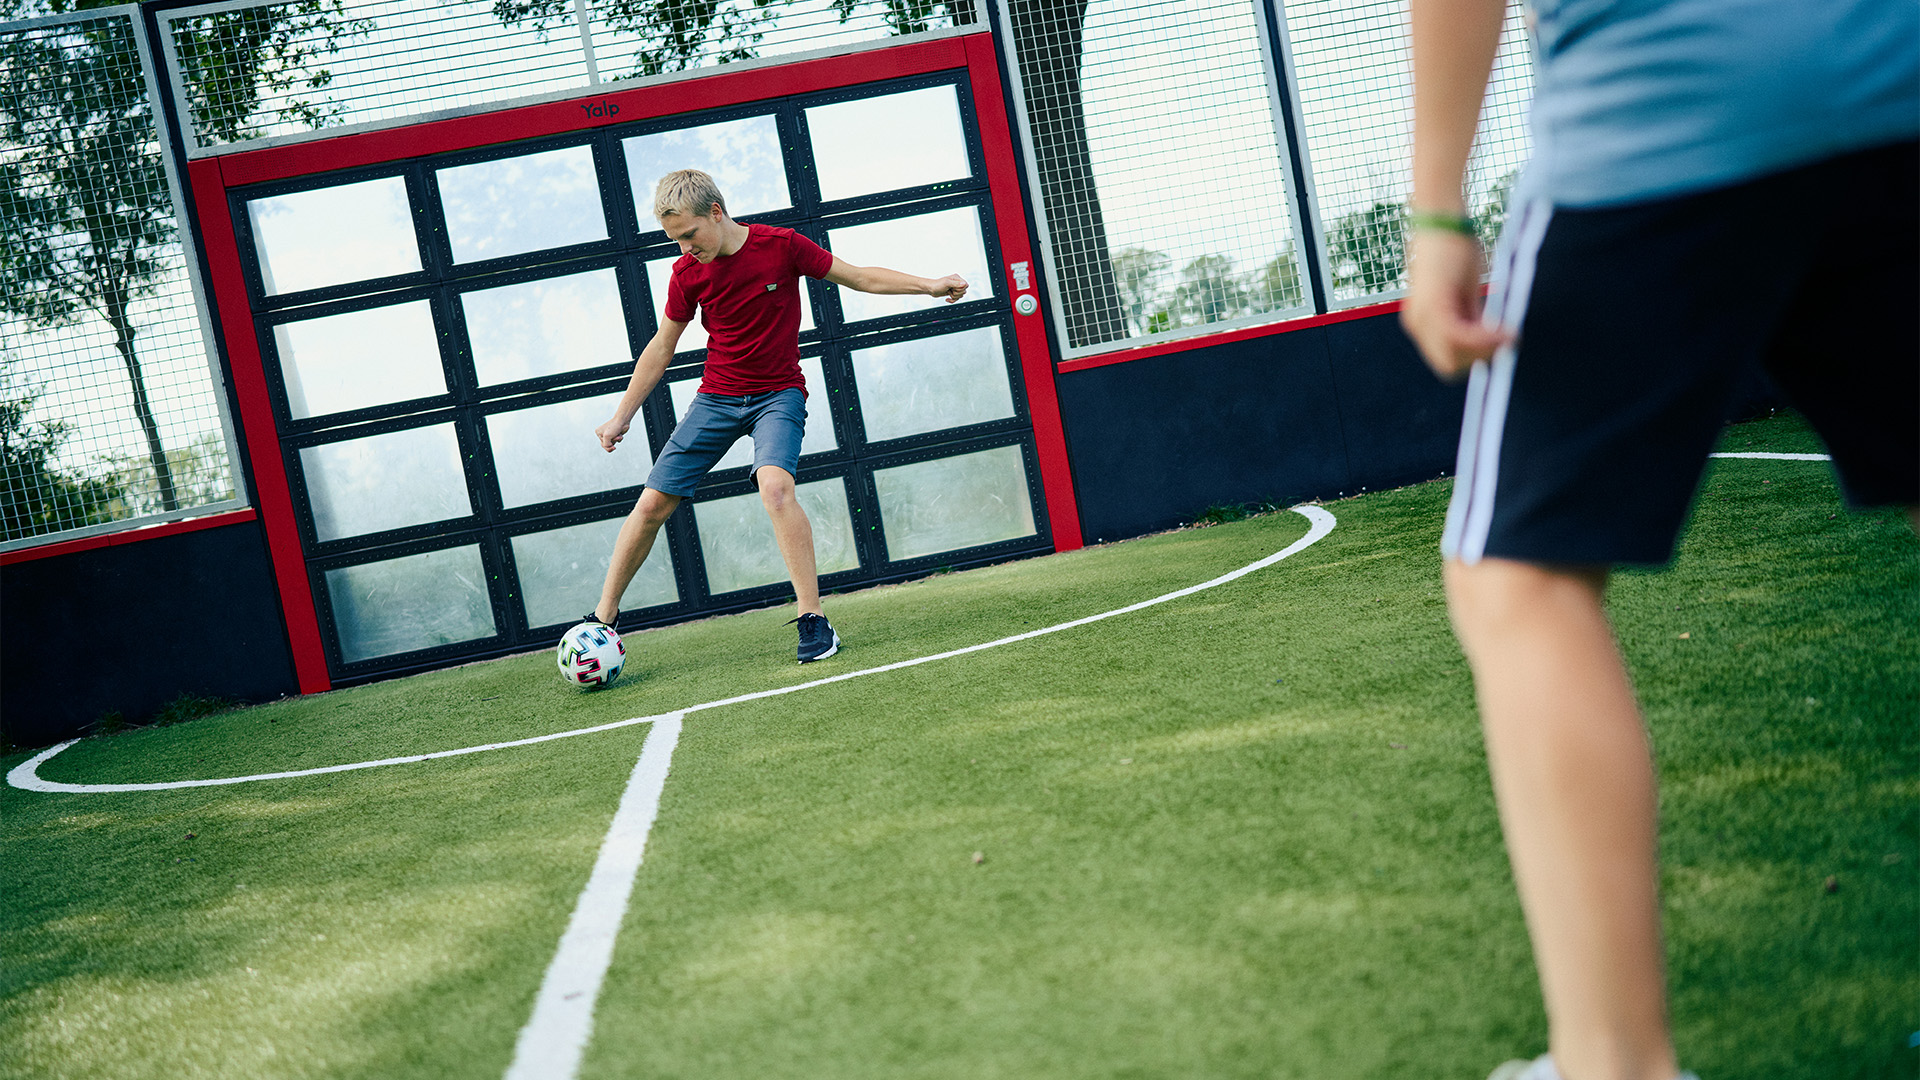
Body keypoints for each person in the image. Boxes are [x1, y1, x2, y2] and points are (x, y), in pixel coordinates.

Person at [1400, 2, 1917, 1079]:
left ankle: (1614, 1063)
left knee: (1517, 573)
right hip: (1895, 75)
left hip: (1660, 101)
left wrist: (1438, 210)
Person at [584, 169, 969, 663]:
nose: (683, 248)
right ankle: (603, 618)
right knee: (653, 503)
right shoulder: (686, 275)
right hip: (716, 397)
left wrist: (930, 285)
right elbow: (662, 347)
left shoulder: (781, 246)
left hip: (778, 395)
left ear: (716, 213)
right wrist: (621, 416)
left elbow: (858, 276)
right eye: (674, 240)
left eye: (689, 235)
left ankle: (814, 620)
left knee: (775, 487)